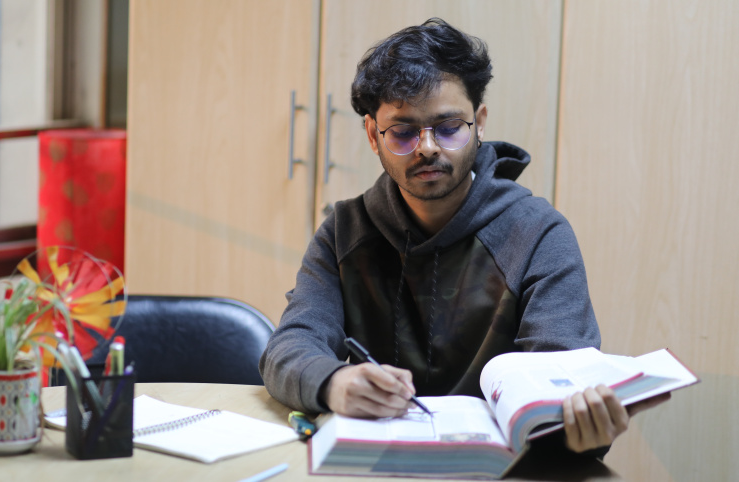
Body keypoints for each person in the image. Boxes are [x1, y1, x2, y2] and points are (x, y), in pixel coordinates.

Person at [259, 18, 664, 454]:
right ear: (373, 137)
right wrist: (333, 382)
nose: (428, 147)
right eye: (403, 132)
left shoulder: (538, 233)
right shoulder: (344, 231)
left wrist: (582, 428)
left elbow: (562, 376)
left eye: (448, 126)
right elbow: (288, 347)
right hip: (376, 461)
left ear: (480, 122)